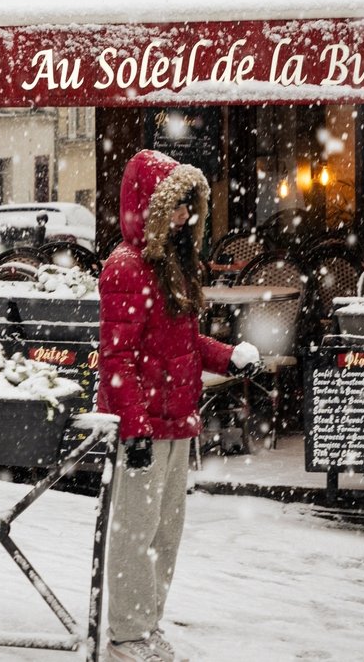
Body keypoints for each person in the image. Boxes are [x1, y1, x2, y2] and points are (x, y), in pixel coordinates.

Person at [97, 149, 260, 662]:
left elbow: (184, 344)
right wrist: (134, 427)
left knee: (165, 532)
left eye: (189, 206)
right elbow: (117, 359)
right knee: (135, 532)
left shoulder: (173, 266)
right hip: (143, 427)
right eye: (176, 206)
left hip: (175, 422)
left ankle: (148, 624)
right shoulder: (127, 269)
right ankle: (127, 634)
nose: (185, 216)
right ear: (149, 208)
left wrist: (229, 358)